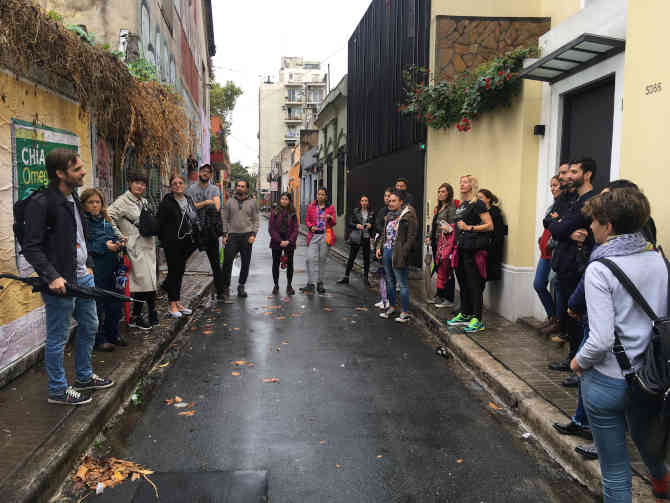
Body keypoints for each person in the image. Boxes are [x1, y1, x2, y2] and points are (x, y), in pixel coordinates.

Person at [570, 188, 669, 502]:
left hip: (608, 380)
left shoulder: (600, 268)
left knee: (615, 471)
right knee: (645, 437)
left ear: (608, 226)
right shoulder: (658, 258)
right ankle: (662, 483)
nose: (592, 228)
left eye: (595, 222)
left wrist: (577, 362)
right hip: (652, 378)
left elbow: (600, 339)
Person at [22, 149, 114, 405]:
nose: (84, 172)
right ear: (60, 174)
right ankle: (58, 390)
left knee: (90, 326)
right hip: (61, 282)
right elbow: (31, 246)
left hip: (83, 276)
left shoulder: (73, 196)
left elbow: (80, 236)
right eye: (77, 169)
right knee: (58, 337)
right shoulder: (43, 203)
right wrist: (51, 276)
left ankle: (84, 376)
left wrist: (90, 264)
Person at [547, 158, 597, 387]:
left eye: (574, 172)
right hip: (564, 263)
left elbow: (560, 226)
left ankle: (578, 366)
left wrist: (560, 227)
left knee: (577, 317)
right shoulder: (572, 199)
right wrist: (560, 227)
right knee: (569, 317)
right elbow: (552, 221)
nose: (568, 176)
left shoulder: (589, 201)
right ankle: (571, 359)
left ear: (587, 175)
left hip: (577, 265)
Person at [108, 170, 158, 330]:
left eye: (143, 184)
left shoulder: (143, 201)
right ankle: (138, 316)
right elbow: (108, 217)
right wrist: (120, 236)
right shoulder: (122, 201)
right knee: (141, 283)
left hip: (148, 246)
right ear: (130, 183)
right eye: (137, 182)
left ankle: (148, 313)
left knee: (149, 282)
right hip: (135, 247)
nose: (140, 186)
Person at [81, 188, 127, 352]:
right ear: (84, 205)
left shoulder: (106, 220)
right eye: (91, 202)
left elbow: (112, 236)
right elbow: (83, 246)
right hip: (96, 269)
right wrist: (104, 245)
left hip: (112, 268)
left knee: (115, 303)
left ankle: (113, 334)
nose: (95, 206)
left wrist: (119, 242)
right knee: (98, 306)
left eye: (97, 202)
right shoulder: (82, 223)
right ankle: (99, 339)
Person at [447, 175, 493, 333]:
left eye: (465, 182)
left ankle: (477, 319)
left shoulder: (477, 203)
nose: (462, 184)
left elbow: (489, 225)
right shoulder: (462, 204)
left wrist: (470, 228)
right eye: (460, 182)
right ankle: (465, 313)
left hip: (473, 249)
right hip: (460, 248)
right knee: (464, 283)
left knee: (474, 285)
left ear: (472, 185)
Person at [157, 174, 200, 318]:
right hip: (172, 244)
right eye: (174, 183)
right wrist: (166, 240)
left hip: (187, 242)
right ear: (171, 186)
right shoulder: (167, 202)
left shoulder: (188, 199)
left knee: (180, 272)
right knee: (174, 273)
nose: (178, 185)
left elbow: (194, 217)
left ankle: (177, 301)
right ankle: (172, 305)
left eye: (180, 183)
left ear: (185, 185)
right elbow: (160, 223)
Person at [375, 190, 417, 323]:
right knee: (389, 281)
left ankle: (404, 311)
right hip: (387, 251)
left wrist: (404, 252)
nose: (390, 203)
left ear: (401, 202)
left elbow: (411, 237)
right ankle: (392, 307)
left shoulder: (408, 215)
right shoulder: (389, 215)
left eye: (394, 201)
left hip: (398, 253)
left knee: (402, 283)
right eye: (390, 200)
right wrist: (379, 247)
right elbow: (384, 234)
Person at [186, 164, 225, 302]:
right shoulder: (191, 189)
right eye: (203, 171)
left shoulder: (214, 188)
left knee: (215, 263)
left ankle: (221, 292)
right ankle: (169, 285)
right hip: (196, 229)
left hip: (210, 231)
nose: (205, 173)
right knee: (182, 258)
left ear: (211, 175)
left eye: (208, 172)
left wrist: (202, 204)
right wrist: (208, 202)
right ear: (199, 173)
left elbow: (218, 206)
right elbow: (191, 207)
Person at [221, 179, 259, 300]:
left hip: (247, 235)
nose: (240, 188)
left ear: (246, 188)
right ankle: (225, 287)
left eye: (242, 186)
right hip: (232, 235)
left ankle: (241, 286)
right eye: (238, 186)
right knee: (227, 262)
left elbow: (255, 220)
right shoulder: (229, 202)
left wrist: (253, 234)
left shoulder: (252, 203)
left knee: (245, 263)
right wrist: (224, 234)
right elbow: (224, 218)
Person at [534, 176, 562, 334]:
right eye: (551, 185)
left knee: (555, 286)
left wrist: (550, 243)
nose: (553, 188)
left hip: (555, 253)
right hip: (544, 253)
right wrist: (541, 240)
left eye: (556, 185)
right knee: (538, 284)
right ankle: (552, 317)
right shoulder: (551, 207)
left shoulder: (566, 206)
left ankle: (558, 321)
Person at [426, 183, 457, 308]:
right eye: (439, 191)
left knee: (447, 269)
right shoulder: (439, 207)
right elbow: (434, 225)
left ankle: (448, 298)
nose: (440, 194)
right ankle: (440, 294)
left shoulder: (451, 207)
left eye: (443, 191)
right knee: (439, 269)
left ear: (449, 193)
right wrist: (429, 237)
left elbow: (452, 226)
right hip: (436, 242)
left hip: (445, 243)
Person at [301, 187, 336, 294]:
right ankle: (310, 283)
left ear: (325, 196)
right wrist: (311, 226)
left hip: (325, 235)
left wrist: (330, 218)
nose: (320, 196)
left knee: (322, 259)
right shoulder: (311, 206)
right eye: (318, 194)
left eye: (322, 194)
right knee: (309, 258)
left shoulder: (330, 207)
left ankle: (320, 283)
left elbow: (334, 222)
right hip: (314, 235)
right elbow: (307, 220)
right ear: (316, 195)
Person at [338, 195, 375, 287]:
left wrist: (370, 225)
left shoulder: (372, 212)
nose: (364, 202)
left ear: (368, 202)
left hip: (366, 237)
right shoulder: (356, 211)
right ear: (360, 202)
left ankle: (366, 278)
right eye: (362, 200)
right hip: (357, 237)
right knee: (351, 257)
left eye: (366, 201)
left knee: (366, 259)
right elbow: (349, 223)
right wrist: (356, 226)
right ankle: (346, 277)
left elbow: (374, 223)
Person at [268, 192, 298, 295]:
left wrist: (289, 241)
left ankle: (289, 285)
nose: (284, 201)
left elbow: (295, 229)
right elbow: (271, 229)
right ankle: (276, 285)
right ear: (280, 200)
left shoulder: (293, 213)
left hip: (289, 242)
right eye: (282, 199)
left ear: (289, 201)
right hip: (277, 242)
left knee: (290, 264)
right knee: (275, 264)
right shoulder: (275, 212)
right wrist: (280, 240)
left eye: (286, 199)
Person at [477, 189, 507, 283]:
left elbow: (498, 235)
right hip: (478, 248)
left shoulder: (495, 213)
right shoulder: (478, 212)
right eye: (477, 198)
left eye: (481, 198)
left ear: (488, 199)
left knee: (482, 278)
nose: (478, 200)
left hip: (489, 250)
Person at [373, 188, 393, 309]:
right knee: (382, 273)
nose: (387, 198)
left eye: (389, 196)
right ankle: (383, 298)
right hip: (381, 242)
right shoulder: (382, 210)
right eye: (385, 196)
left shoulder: (394, 212)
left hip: (389, 245)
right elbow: (377, 224)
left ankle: (390, 300)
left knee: (389, 274)